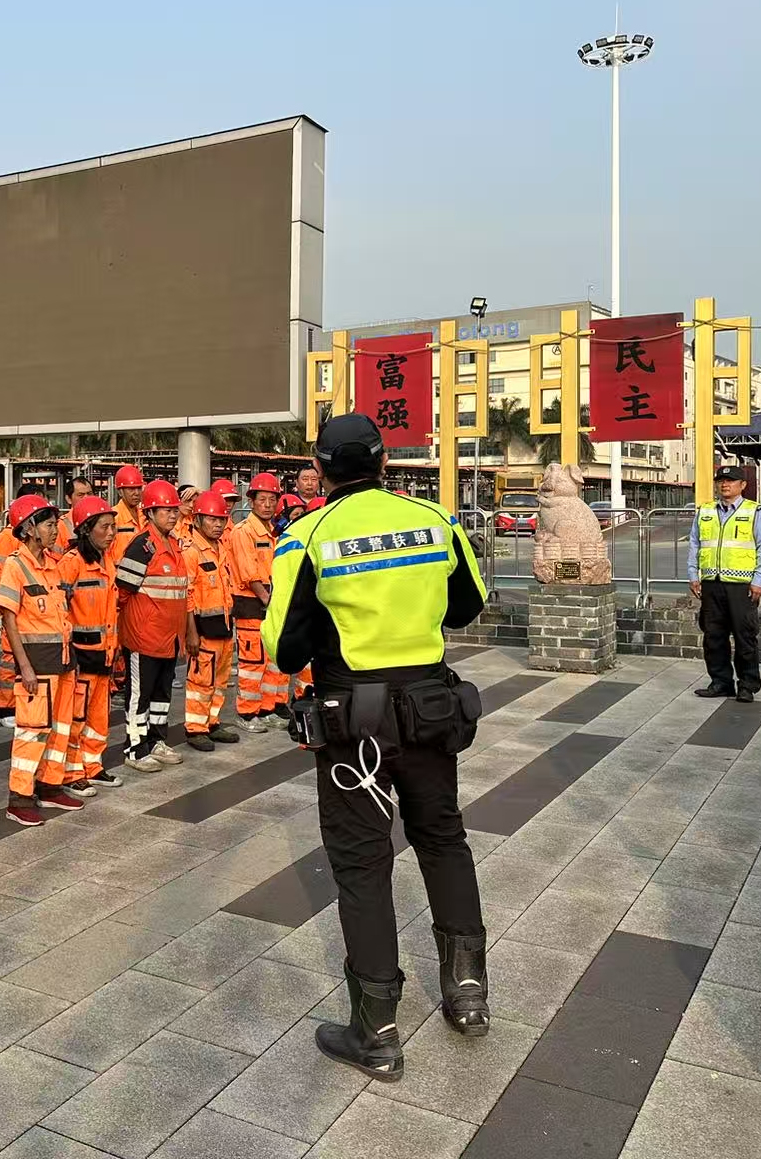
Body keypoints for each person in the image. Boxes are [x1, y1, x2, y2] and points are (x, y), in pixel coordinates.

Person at [264, 413, 490, 1082]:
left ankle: (377, 1030)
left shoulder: (306, 536)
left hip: (352, 724)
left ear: (320, 470)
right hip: (428, 711)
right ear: (384, 461)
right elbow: (466, 605)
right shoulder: (436, 520)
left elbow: (284, 650)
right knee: (442, 841)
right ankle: (467, 996)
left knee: (363, 865)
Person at [0, 493, 80, 825]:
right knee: (32, 732)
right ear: (29, 528)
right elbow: (9, 619)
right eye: (48, 525)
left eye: (55, 524)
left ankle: (50, 787)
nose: (54, 531)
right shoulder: (15, 566)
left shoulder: (51, 564)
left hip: (63, 661)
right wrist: (25, 667)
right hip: (37, 665)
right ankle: (19, 798)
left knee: (60, 728)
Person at [117, 481, 198, 762]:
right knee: (139, 695)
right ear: (150, 513)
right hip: (144, 637)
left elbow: (181, 592)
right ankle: (135, 748)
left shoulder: (174, 545)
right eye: (165, 510)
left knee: (161, 694)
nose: (173, 515)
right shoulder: (141, 547)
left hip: (169, 639)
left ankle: (156, 740)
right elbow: (122, 593)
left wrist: (187, 632)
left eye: (175, 510)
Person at [687, 465, 761, 702]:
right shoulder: (705, 511)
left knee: (745, 637)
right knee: (713, 636)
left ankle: (747, 685)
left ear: (742, 485)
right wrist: (693, 575)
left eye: (731, 480)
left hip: (742, 586)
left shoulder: (755, 511)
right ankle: (720, 682)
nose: (724, 485)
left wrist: (759, 579)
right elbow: (695, 544)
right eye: (721, 481)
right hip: (711, 583)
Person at [57, 496, 121, 792]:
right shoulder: (71, 563)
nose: (111, 533)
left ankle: (92, 766)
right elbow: (60, 608)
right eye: (104, 527)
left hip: (104, 654)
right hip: (81, 656)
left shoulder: (107, 561)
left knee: (98, 717)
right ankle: (72, 773)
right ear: (86, 529)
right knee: (76, 717)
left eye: (113, 527)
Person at [231, 472, 288, 731]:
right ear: (251, 501)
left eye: (272, 499)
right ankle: (247, 713)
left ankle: (268, 708)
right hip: (252, 603)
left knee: (272, 660)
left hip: (271, 602)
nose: (267, 504)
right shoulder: (244, 531)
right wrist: (268, 600)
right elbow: (249, 573)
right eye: (262, 499)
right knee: (253, 663)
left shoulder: (274, 531)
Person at [0, 484, 50, 729]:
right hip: (16, 602)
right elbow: (0, 572)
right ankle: (7, 706)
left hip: (33, 608)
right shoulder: (8, 541)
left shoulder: (47, 554)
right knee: (10, 658)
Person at [183, 489, 238, 746]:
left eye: (221, 520)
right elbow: (186, 594)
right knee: (201, 681)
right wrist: (191, 632)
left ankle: (212, 722)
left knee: (220, 681)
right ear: (197, 520)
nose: (217, 525)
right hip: (203, 631)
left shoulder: (221, 548)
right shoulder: (191, 551)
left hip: (223, 627)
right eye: (211, 519)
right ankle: (196, 728)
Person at [109, 465, 145, 562]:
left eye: (139, 488)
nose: (136, 493)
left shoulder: (145, 516)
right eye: (131, 489)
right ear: (120, 492)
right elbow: (105, 553)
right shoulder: (113, 517)